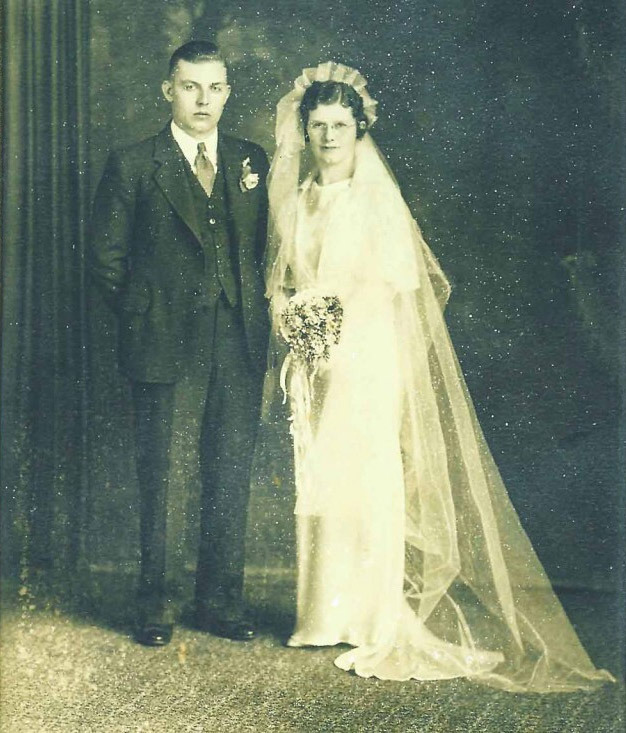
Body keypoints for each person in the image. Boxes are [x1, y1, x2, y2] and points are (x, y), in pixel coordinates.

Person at [265, 62, 614, 691]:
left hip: (366, 355)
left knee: (367, 482)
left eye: (340, 125)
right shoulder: (298, 200)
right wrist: (299, 320)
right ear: (304, 131)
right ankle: (321, 615)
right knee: (320, 479)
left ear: (359, 128)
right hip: (318, 358)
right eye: (317, 126)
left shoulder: (376, 200)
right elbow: (286, 280)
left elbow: (400, 289)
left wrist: (341, 326)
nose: (329, 137)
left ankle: (372, 615)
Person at [89, 41, 270, 646]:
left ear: (227, 92)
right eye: (190, 86)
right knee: (164, 475)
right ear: (168, 90)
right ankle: (156, 607)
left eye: (215, 87)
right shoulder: (135, 162)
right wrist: (148, 316)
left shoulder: (251, 160)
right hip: (164, 342)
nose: (203, 99)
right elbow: (106, 260)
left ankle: (219, 602)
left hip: (237, 341)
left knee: (229, 472)